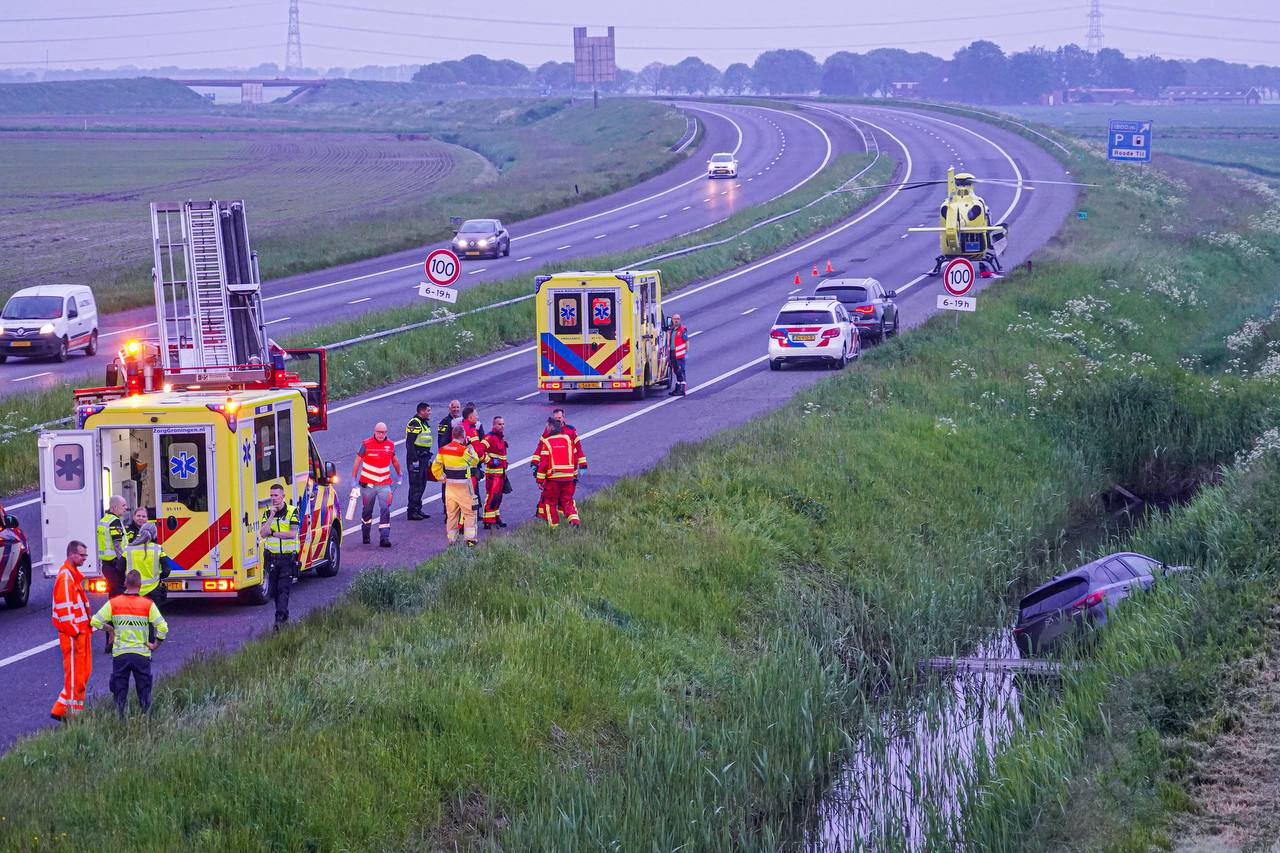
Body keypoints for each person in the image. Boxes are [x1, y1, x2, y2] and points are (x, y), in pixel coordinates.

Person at [91, 569, 168, 717]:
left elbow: (95, 621)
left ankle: (119, 720)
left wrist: (111, 629)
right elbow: (163, 626)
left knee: (119, 693)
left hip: (121, 654)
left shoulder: (114, 603)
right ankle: (147, 721)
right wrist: (155, 645)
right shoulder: (147, 604)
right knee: (144, 693)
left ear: (125, 583)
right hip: (141, 654)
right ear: (140, 585)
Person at [50, 540, 93, 722]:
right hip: (74, 635)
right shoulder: (66, 578)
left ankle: (63, 709)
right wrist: (75, 632)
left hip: (81, 632)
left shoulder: (73, 575)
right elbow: (64, 609)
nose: (85, 558)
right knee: (75, 676)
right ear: (71, 554)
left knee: (82, 673)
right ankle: (72, 715)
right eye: (82, 555)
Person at [351, 422, 401, 547]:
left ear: (386, 433)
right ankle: (366, 533)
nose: (381, 434)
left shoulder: (390, 445)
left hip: (384, 484)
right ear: (374, 431)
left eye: (383, 432)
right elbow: (357, 461)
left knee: (385, 510)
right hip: (368, 485)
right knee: (367, 510)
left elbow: (394, 460)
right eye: (379, 432)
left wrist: (400, 474)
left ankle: (384, 537)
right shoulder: (366, 444)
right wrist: (353, 478)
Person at [530, 408, 587, 518]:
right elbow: (540, 447)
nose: (558, 421)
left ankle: (561, 517)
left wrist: (582, 464)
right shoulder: (548, 431)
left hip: (569, 468)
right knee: (548, 495)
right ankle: (544, 517)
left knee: (564, 497)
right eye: (555, 419)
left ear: (563, 418)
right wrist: (534, 462)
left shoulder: (571, 430)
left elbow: (578, 448)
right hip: (552, 468)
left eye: (559, 418)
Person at [259, 483, 301, 629]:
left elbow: (291, 534)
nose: (273, 498)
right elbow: (263, 533)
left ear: (283, 496)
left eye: (276, 495)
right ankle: (283, 616)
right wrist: (271, 515)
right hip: (271, 558)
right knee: (275, 591)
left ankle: (279, 619)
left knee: (284, 589)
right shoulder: (267, 513)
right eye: (271, 495)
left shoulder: (292, 511)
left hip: (286, 558)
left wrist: (273, 533)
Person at [432, 425, 481, 547]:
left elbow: (435, 466)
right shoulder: (464, 451)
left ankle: (452, 541)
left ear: (452, 435)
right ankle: (470, 540)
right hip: (464, 487)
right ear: (463, 436)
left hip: (450, 488)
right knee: (470, 513)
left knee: (452, 515)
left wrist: (442, 477)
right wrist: (469, 445)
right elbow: (475, 460)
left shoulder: (443, 450)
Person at [96, 495, 129, 653]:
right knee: (117, 601)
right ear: (115, 507)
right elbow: (117, 544)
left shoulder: (104, 520)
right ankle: (112, 637)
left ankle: (113, 637)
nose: (126, 507)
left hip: (107, 565)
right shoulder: (114, 521)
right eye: (123, 505)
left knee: (114, 599)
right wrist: (122, 563)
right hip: (115, 565)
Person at [123, 522, 166, 604]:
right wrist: (158, 577)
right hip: (153, 591)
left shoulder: (129, 549)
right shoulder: (158, 549)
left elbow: (119, 567)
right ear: (154, 534)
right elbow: (167, 570)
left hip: (133, 590)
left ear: (140, 532)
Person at [405, 402, 434, 521]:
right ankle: (411, 511)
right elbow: (409, 443)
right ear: (421, 411)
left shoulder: (423, 423)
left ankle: (417, 508)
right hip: (416, 459)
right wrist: (415, 460)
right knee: (415, 484)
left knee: (422, 483)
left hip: (423, 458)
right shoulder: (415, 423)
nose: (429, 412)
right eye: (428, 410)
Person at [480, 416, 510, 530]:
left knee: (498, 497)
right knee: (492, 496)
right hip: (493, 473)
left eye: (503, 424)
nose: (502, 426)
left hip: (501, 472)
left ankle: (496, 517)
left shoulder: (499, 437)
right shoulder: (489, 437)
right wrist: (490, 461)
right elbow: (479, 451)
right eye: (499, 424)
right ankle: (488, 520)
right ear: (494, 425)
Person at [436, 399, 462, 506]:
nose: (455, 409)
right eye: (453, 407)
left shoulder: (461, 421)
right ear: (449, 408)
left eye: (457, 407)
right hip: (448, 457)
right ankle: (446, 504)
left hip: (458, 457)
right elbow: (441, 442)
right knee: (446, 482)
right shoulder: (444, 422)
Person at [668, 312, 689, 396]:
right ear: (672, 320)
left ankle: (682, 389)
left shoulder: (682, 329)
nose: (676, 320)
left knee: (681, 370)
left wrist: (686, 352)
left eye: (678, 319)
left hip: (680, 354)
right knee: (676, 370)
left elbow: (686, 341)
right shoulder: (672, 330)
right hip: (673, 353)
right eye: (674, 319)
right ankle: (677, 388)